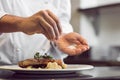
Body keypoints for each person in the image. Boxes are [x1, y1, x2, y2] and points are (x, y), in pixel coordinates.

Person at [0, 0, 89, 65]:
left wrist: (60, 36)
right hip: (3, 71)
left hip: (49, 71)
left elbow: (62, 20)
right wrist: (21, 23)